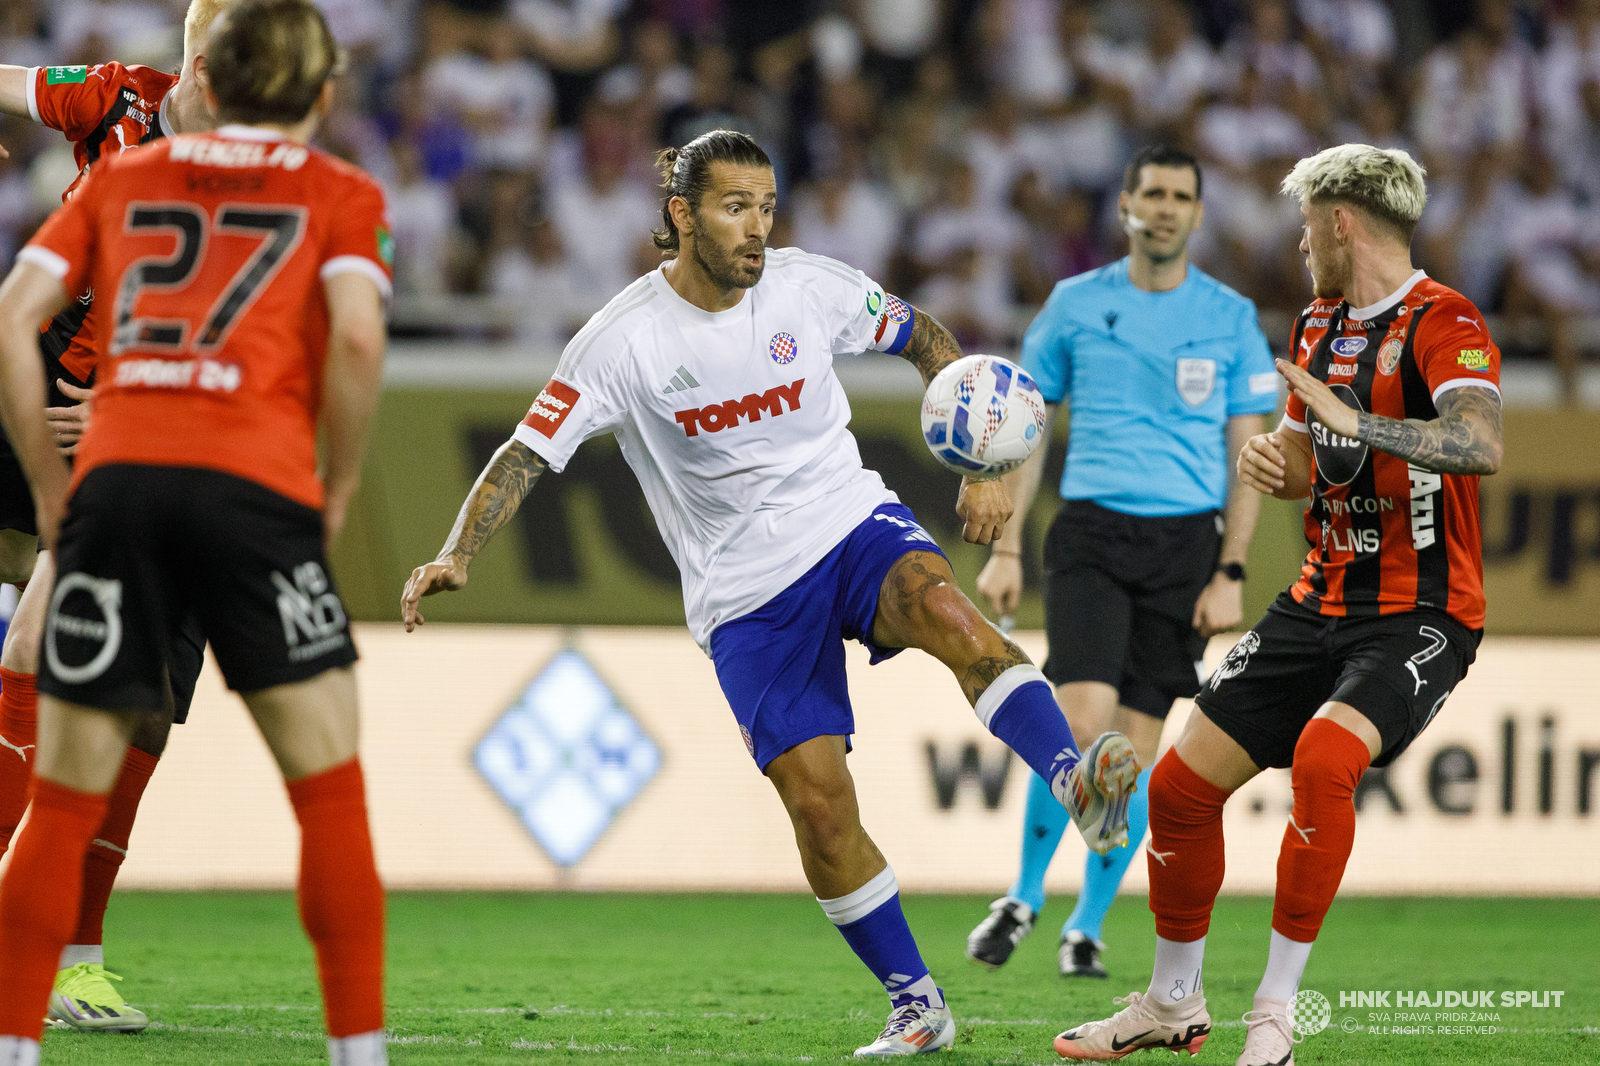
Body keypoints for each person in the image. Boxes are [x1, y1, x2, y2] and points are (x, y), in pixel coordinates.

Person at [400, 128, 1142, 1058]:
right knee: (822, 810)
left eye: (766, 208)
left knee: (952, 611)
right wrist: (456, 549)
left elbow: (927, 338)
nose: (757, 229)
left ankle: (1077, 785)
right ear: (681, 216)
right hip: (743, 590)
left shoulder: (807, 287)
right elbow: (525, 451)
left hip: (846, 522)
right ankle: (917, 1003)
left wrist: (991, 459)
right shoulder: (620, 343)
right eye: (734, 208)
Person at [0, 3, 392, 1064]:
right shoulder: (345, 195)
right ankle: (362, 1051)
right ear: (316, 96)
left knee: (66, 775)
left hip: (119, 478)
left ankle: (12, 1042)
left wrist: (50, 482)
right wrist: (339, 489)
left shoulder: (123, 180)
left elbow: (12, 313)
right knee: (329, 789)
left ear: (208, 80)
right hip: (252, 492)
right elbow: (357, 340)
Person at [1054, 144, 1502, 1065]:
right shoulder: (1318, 326)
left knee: (1324, 757)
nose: (1300, 243)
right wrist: (1278, 466)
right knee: (1178, 789)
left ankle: (1274, 1017)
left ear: (1341, 222)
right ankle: (1173, 1001)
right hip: (1318, 600)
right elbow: (1309, 465)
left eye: (1307, 225)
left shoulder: (1444, 321)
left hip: (1422, 612)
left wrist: (1357, 423)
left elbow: (1478, 442)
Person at [965, 146, 1278, 980]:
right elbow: (1023, 427)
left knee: (1130, 757)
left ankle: (1087, 926)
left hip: (1186, 547)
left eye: (1181, 195)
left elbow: (1248, 450)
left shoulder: (1230, 316)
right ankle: (1024, 896)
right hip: (1093, 533)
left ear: (1198, 213)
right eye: (1153, 193)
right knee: (1078, 725)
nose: (1166, 207)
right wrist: (1005, 548)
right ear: (1128, 207)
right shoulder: (1074, 306)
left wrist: (1231, 570)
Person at [0, 0, 225, 1030]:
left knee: (144, 704)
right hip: (33, 391)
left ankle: (74, 959)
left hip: (164, 433)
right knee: (32, 637)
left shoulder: (280, 178)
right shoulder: (117, 101)